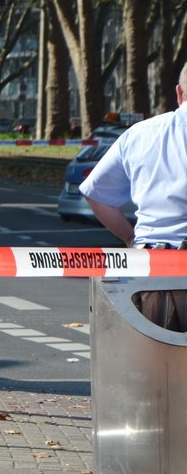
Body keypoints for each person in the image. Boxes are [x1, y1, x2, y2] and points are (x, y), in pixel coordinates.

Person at [81, 61, 187, 332]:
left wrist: (131, 237)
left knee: (158, 368)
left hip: (155, 272)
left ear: (179, 93)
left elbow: (96, 194)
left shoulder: (141, 135)